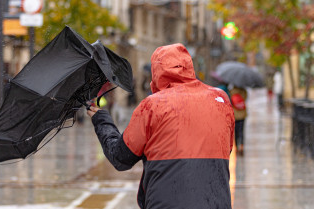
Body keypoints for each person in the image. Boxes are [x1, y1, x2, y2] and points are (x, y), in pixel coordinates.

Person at [87, 43, 235, 209]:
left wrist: (101, 119)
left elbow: (121, 158)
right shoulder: (221, 100)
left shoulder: (153, 105)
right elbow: (225, 148)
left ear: (156, 71)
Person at [230, 86, 248, 155]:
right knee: (241, 131)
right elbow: (245, 99)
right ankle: (242, 146)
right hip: (242, 114)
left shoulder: (231, 91)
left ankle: (237, 148)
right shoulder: (243, 91)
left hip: (235, 114)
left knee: (236, 132)